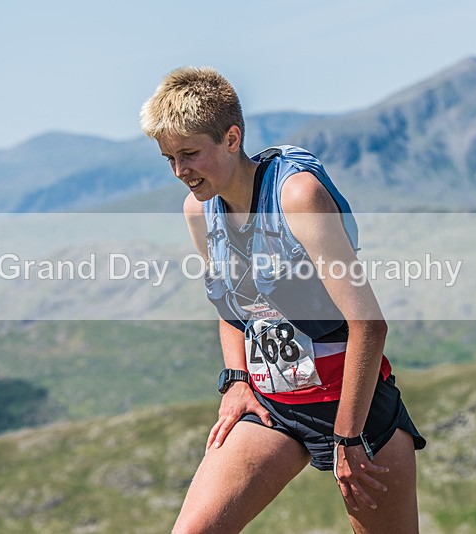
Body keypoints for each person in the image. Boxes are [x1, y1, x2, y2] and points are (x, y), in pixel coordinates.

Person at [140, 67, 426, 533]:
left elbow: (369, 324)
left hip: (351, 408)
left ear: (232, 138)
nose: (180, 172)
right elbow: (228, 305)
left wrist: (348, 439)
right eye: (168, 158)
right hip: (272, 407)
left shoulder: (297, 195)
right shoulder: (199, 210)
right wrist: (235, 379)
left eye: (190, 154)